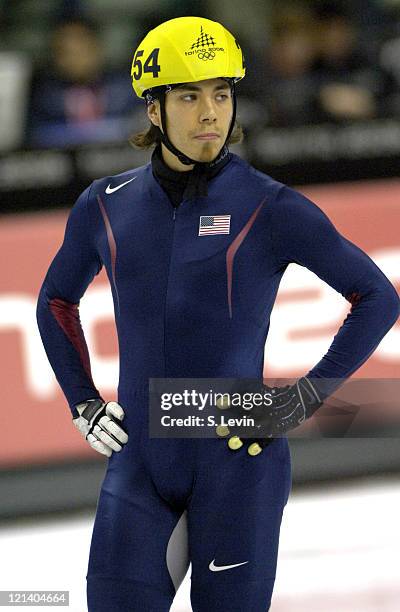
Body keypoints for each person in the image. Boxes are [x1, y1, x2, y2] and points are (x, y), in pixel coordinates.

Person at [36, 16, 400, 612]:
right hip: (142, 462)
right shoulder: (104, 205)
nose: (211, 112)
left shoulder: (271, 205)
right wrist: (82, 400)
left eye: (222, 94)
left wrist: (305, 397)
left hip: (239, 461)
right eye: (189, 95)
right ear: (154, 111)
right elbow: (55, 301)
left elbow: (378, 297)